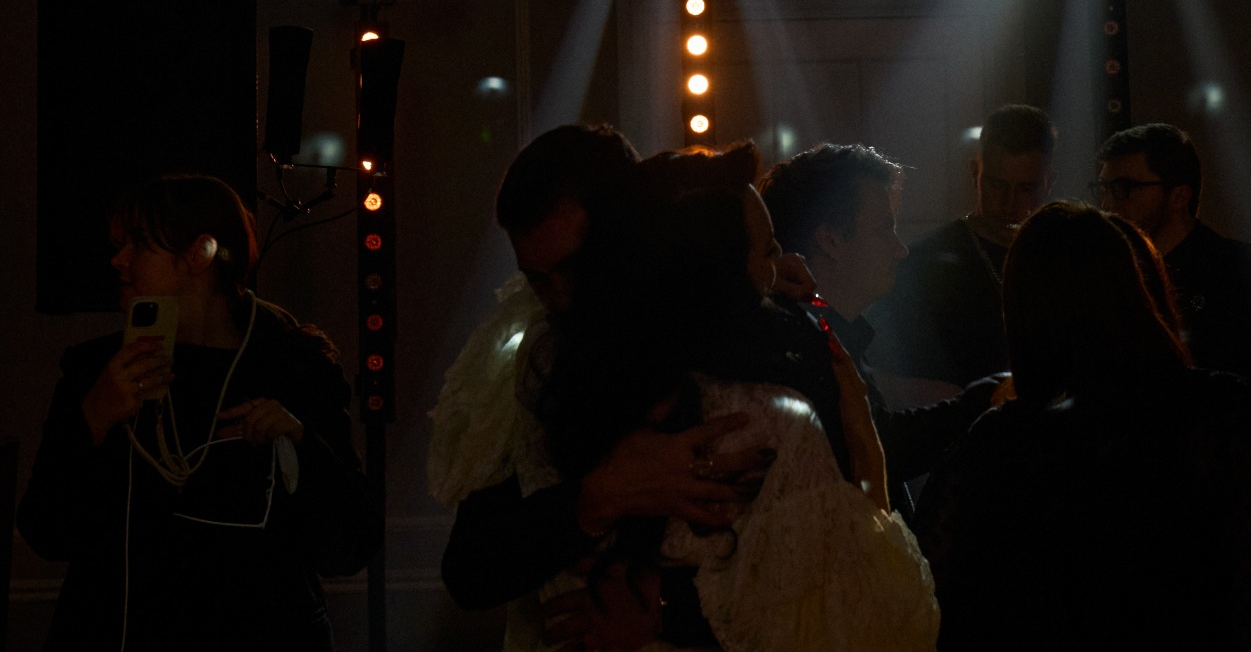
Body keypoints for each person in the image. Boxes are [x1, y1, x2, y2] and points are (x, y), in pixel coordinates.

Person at [536, 142, 939, 651]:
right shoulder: (771, 416)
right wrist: (864, 439)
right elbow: (863, 607)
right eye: (770, 250)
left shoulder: (573, 391)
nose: (789, 264)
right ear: (722, 273)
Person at [917, 201, 1251, 650]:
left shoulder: (998, 446)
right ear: (1139, 294)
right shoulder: (1239, 417)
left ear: (1023, 314)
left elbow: (932, 598)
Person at [432, 125, 772, 651]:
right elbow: (471, 571)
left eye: (576, 267)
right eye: (538, 279)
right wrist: (596, 499)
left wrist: (667, 614)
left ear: (631, 231)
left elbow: (804, 568)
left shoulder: (719, 328)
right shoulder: (536, 358)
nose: (561, 297)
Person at [19, 174, 378, 651]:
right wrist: (93, 419)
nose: (118, 261)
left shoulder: (293, 367)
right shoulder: (98, 371)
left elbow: (349, 547)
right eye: (119, 246)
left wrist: (301, 446)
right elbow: (45, 533)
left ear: (200, 254)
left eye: (138, 244)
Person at [759, 142, 1003, 515]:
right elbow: (877, 446)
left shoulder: (819, 325)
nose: (900, 249)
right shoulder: (802, 339)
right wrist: (987, 400)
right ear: (830, 240)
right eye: (884, 229)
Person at [868, 104, 1055, 404]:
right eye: (996, 185)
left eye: (1026, 188)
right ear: (975, 173)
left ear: (1049, 182)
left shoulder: (1064, 260)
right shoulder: (924, 264)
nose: (1010, 203)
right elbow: (876, 375)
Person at [1096, 122, 1251, 381]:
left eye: (1124, 188)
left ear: (1179, 197)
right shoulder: (1109, 278)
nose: (1107, 202)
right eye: (1103, 188)